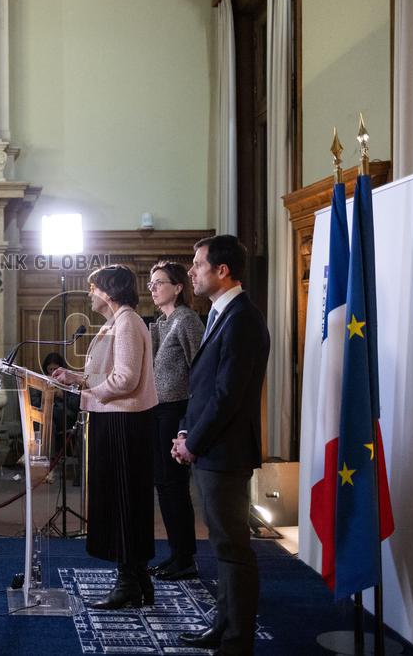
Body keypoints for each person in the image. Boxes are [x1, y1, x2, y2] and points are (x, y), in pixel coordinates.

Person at [172, 235, 270, 655]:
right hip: (210, 446)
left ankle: (237, 639)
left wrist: (193, 442)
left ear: (222, 270)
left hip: (224, 451)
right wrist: (184, 432)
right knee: (222, 544)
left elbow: (228, 395)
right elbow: (203, 387)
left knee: (232, 546)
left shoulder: (244, 318)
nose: (191, 272)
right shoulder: (219, 313)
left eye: (197, 264)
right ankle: (224, 625)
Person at [52, 265, 157, 610]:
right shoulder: (117, 321)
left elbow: (125, 379)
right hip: (115, 420)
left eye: (94, 288)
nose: (90, 293)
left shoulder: (126, 322)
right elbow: (105, 374)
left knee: (123, 501)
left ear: (109, 292)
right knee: (122, 501)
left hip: (123, 424)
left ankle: (129, 583)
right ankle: (138, 579)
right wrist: (74, 376)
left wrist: (90, 393)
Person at [147, 261, 204, 581]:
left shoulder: (186, 320)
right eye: (151, 284)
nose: (153, 289)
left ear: (178, 287)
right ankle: (176, 554)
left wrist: (188, 421)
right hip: (158, 409)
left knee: (175, 487)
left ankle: (186, 558)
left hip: (176, 410)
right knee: (164, 486)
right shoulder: (163, 321)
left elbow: (200, 370)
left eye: (159, 283)